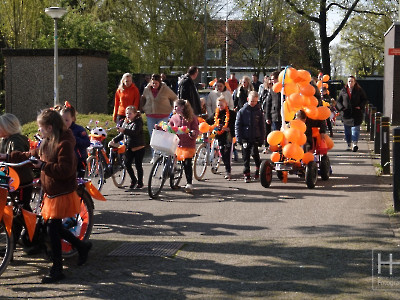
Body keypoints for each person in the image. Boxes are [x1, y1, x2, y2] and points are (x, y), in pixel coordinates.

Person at [1, 109, 92, 283]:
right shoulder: (47, 140)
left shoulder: (64, 143)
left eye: (41, 128)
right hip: (51, 191)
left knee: (52, 229)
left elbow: (65, 170)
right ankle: (82, 246)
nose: (39, 131)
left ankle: (57, 269)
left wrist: (43, 166)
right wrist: (6, 156)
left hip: (61, 191)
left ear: (49, 128)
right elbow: (30, 154)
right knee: (54, 228)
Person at [0, 113, 34, 252]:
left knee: (22, 209)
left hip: (21, 180)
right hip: (11, 180)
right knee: (17, 210)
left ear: (7, 127)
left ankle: (33, 234)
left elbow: (18, 158)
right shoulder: (5, 140)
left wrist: (6, 157)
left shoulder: (16, 141)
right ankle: (15, 241)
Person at [109, 106, 146, 189]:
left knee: (138, 165)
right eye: (126, 113)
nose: (128, 115)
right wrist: (114, 140)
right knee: (127, 164)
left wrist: (124, 130)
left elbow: (135, 132)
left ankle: (140, 182)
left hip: (139, 147)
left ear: (135, 114)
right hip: (129, 146)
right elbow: (122, 135)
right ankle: (133, 180)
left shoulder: (138, 122)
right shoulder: (126, 122)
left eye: (130, 113)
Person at [169, 99, 199, 193]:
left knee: (187, 163)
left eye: (176, 106)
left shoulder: (192, 118)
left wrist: (193, 133)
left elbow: (196, 130)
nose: (174, 108)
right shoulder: (174, 117)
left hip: (188, 144)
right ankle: (173, 172)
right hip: (176, 143)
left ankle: (189, 183)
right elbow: (169, 126)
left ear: (182, 107)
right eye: (174, 107)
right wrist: (162, 128)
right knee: (171, 158)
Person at [235, 91, 265, 183]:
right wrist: (239, 138)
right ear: (248, 100)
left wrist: (261, 139)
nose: (253, 103)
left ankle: (258, 168)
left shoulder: (259, 112)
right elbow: (238, 125)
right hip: (245, 137)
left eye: (255, 102)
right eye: (252, 101)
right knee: (246, 157)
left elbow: (262, 126)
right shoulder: (242, 111)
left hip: (255, 137)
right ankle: (247, 173)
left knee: (255, 154)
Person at [141, 74, 177, 146]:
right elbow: (143, 98)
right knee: (152, 136)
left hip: (163, 115)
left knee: (161, 135)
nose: (154, 85)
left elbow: (175, 98)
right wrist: (143, 107)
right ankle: (154, 155)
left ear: (160, 82)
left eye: (156, 83)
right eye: (153, 83)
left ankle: (162, 154)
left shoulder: (166, 89)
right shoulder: (147, 89)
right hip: (150, 115)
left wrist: (174, 108)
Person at [58, 102, 90, 178]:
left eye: (67, 120)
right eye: (62, 120)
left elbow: (87, 142)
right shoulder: (59, 130)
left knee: (80, 181)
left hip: (79, 159)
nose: (64, 123)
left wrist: (73, 139)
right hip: (66, 160)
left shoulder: (79, 129)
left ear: (73, 118)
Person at [336, 75, 368, 152]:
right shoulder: (343, 91)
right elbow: (338, 101)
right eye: (349, 81)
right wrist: (342, 108)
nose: (350, 83)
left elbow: (364, 100)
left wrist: (360, 106)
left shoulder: (359, 90)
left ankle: (355, 144)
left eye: (352, 81)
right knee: (347, 131)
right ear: (347, 82)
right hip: (346, 114)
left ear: (355, 82)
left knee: (355, 129)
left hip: (356, 114)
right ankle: (348, 144)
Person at [207, 97, 236, 180]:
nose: (220, 107)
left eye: (222, 105)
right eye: (218, 105)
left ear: (226, 104)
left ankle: (228, 171)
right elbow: (209, 121)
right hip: (219, 135)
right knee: (222, 151)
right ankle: (217, 163)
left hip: (228, 135)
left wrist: (229, 128)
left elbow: (236, 123)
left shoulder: (232, 113)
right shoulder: (216, 113)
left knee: (227, 152)